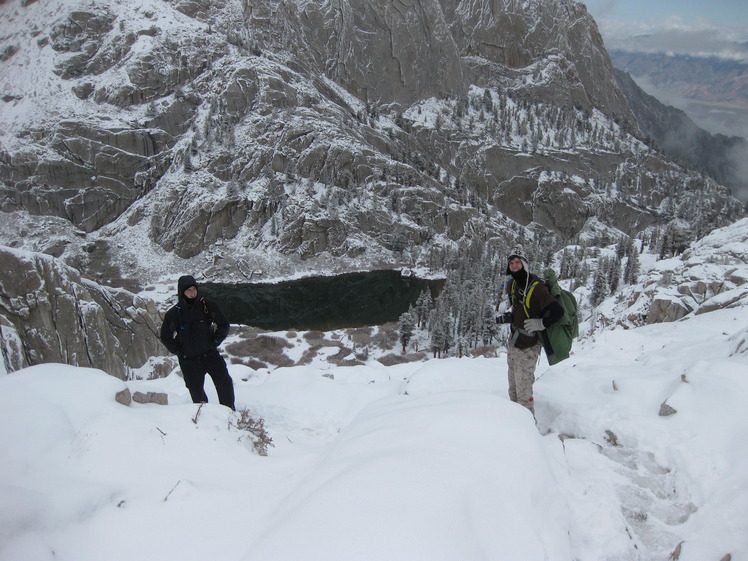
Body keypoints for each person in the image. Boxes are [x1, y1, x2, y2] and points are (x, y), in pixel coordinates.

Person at [495, 247, 564, 416]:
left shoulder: (537, 287)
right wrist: (509, 317)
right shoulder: (512, 285)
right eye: (511, 263)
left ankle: (528, 431)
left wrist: (542, 323)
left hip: (528, 347)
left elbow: (558, 311)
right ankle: (516, 422)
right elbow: (520, 309)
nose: (514, 265)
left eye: (518, 262)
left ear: (524, 264)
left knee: (524, 395)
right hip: (514, 343)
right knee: (513, 390)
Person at [160, 275, 235, 410]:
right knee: (196, 391)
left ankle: (229, 411)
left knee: (224, 383)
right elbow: (166, 336)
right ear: (182, 292)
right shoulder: (174, 313)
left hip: (209, 355)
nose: (192, 292)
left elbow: (223, 324)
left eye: (194, 288)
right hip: (189, 361)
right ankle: (203, 415)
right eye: (188, 290)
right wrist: (180, 351)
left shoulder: (206, 305)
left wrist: (214, 342)